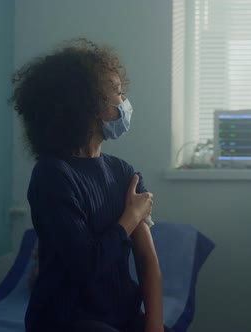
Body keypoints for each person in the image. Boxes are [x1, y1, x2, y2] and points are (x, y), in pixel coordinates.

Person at [12, 38, 171, 332]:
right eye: (118, 95)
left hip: (122, 316)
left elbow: (147, 261)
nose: (124, 105)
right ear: (87, 105)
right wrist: (131, 217)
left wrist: (155, 325)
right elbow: (86, 265)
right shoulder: (51, 175)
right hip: (68, 320)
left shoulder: (124, 173)